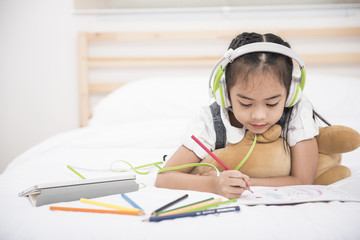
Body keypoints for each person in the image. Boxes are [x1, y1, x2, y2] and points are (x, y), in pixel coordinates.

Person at [155, 32, 320, 199]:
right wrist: (213, 185)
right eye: (245, 103)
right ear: (224, 94)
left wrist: (237, 182)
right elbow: (164, 178)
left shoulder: (297, 111)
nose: (259, 116)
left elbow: (303, 180)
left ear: (291, 94)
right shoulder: (211, 121)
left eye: (271, 104)